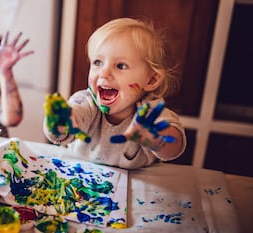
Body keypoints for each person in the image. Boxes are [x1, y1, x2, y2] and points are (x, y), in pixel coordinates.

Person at [44, 18, 186, 169]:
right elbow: (68, 126)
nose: (104, 73)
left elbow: (174, 149)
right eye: (98, 62)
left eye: (120, 65)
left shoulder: (150, 113)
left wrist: (157, 138)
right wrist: (59, 124)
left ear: (151, 80)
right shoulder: (86, 102)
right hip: (78, 179)